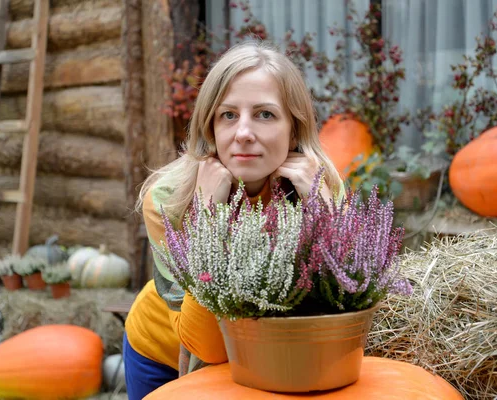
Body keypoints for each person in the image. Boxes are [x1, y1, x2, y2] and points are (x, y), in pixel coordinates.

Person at [123, 40, 344, 399]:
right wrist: (209, 215)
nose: (243, 132)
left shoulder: (321, 188)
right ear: (210, 127)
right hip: (163, 353)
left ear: (295, 128)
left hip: (267, 357)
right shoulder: (169, 200)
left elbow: (346, 306)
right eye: (229, 115)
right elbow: (207, 347)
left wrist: (323, 212)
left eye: (265, 114)